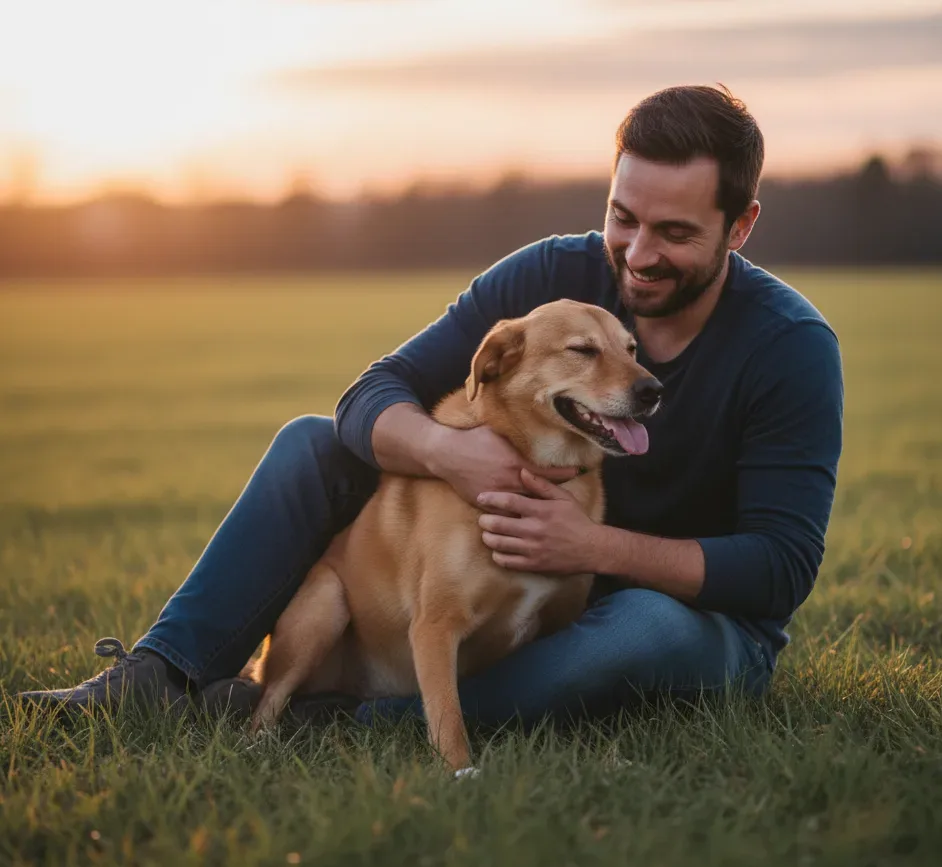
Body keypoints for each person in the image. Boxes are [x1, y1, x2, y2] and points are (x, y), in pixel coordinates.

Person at [18, 84, 843, 729]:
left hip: (683, 619)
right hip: (518, 585)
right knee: (313, 445)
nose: (637, 253)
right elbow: (368, 397)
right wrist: (453, 452)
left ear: (740, 227)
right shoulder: (544, 281)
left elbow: (779, 568)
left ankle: (360, 722)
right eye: (621, 218)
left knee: (643, 629)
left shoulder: (790, 348)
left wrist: (593, 545)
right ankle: (161, 676)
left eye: (674, 232)